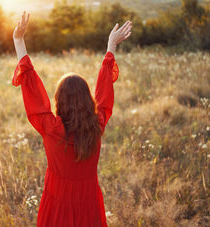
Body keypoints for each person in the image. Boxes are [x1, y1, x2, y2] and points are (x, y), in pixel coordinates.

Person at [12, 11, 132, 227]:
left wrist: (18, 41)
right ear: (87, 100)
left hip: (57, 202)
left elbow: (32, 90)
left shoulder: (51, 128)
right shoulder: (97, 125)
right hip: (88, 202)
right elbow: (104, 94)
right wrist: (110, 46)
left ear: (59, 100)